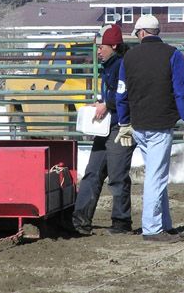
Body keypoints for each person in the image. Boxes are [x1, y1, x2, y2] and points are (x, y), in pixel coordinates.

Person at [115, 14, 184, 243]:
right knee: (156, 177)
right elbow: (181, 90)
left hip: (138, 125)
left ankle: (164, 223)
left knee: (156, 174)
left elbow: (122, 93)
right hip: (161, 124)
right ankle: (152, 228)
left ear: (141, 33)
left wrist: (124, 122)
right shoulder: (173, 54)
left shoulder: (128, 57)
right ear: (156, 32)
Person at [72, 24, 136, 236]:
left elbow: (124, 94)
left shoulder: (122, 66)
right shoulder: (109, 66)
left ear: (114, 46)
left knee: (117, 175)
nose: (98, 51)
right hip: (107, 126)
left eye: (102, 47)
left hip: (120, 126)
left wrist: (106, 104)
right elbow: (112, 93)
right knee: (92, 172)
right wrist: (100, 103)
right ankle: (80, 220)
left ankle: (121, 221)